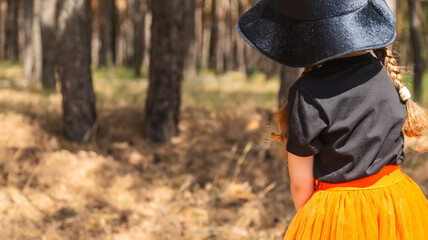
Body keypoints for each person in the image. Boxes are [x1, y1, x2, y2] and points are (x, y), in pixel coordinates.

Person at [237, 0, 428, 239]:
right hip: (398, 205)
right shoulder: (386, 76)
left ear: (306, 36)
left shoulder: (307, 92)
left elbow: (300, 184)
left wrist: (314, 223)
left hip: (340, 215)